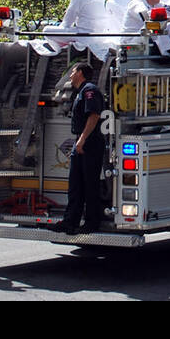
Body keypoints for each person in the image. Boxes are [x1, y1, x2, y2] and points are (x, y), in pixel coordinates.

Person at [52, 62, 106, 235]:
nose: (70, 75)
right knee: (76, 185)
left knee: (90, 184)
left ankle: (91, 223)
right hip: (81, 141)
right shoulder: (80, 91)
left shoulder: (90, 90)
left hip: (90, 143)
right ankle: (70, 221)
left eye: (73, 71)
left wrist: (82, 140)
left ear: (81, 73)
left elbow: (94, 115)